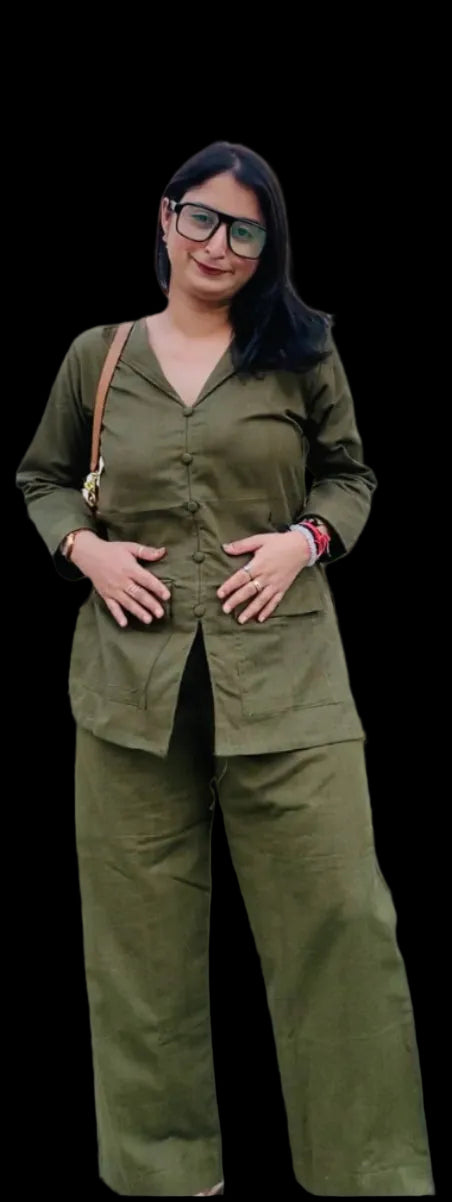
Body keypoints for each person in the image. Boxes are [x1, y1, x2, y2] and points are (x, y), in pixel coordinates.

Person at [15, 141, 435, 1197]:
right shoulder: (99, 355)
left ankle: (367, 1171)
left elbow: (349, 475)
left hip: (288, 677)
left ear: (266, 246)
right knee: (138, 935)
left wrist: (304, 541)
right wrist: (85, 549)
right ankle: (166, 1174)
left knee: (341, 919)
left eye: (245, 229)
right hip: (130, 687)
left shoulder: (302, 351)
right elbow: (43, 478)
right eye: (201, 218)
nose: (218, 244)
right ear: (165, 219)